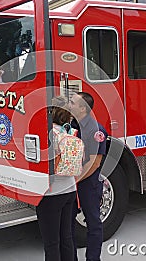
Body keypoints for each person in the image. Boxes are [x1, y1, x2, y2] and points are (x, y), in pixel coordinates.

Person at [35, 96, 77, 261]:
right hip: (70, 189)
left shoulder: (49, 133)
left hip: (52, 193)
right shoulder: (69, 130)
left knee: (51, 243)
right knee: (66, 238)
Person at [69, 92, 108, 261]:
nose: (69, 105)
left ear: (82, 108)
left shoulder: (96, 130)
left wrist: (76, 180)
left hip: (88, 183)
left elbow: (95, 163)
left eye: (73, 102)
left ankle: (93, 258)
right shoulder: (72, 125)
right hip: (71, 182)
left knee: (93, 223)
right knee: (68, 223)